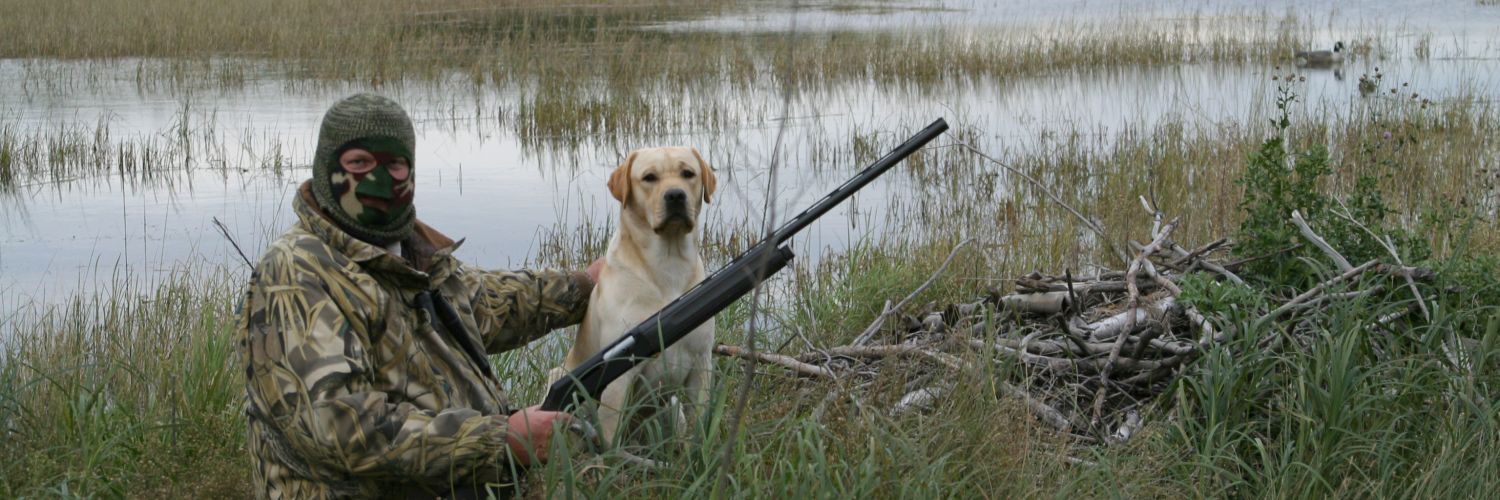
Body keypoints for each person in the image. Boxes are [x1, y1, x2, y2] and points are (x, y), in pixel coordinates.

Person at [235, 93, 597, 499]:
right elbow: (340, 428)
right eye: (358, 164)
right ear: (326, 170)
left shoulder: (407, 255)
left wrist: (587, 284)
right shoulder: (298, 270)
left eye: (393, 164)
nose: (378, 181)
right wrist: (502, 441)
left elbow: (490, 304)